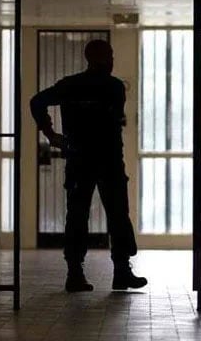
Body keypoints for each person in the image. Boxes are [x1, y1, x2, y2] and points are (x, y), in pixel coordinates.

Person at [30, 39, 147, 292]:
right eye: (111, 55)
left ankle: (75, 273)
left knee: (77, 214)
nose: (113, 60)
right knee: (118, 215)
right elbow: (117, 118)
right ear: (104, 59)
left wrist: (51, 135)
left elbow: (36, 101)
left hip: (79, 158)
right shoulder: (115, 87)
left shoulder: (70, 85)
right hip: (109, 159)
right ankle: (121, 271)